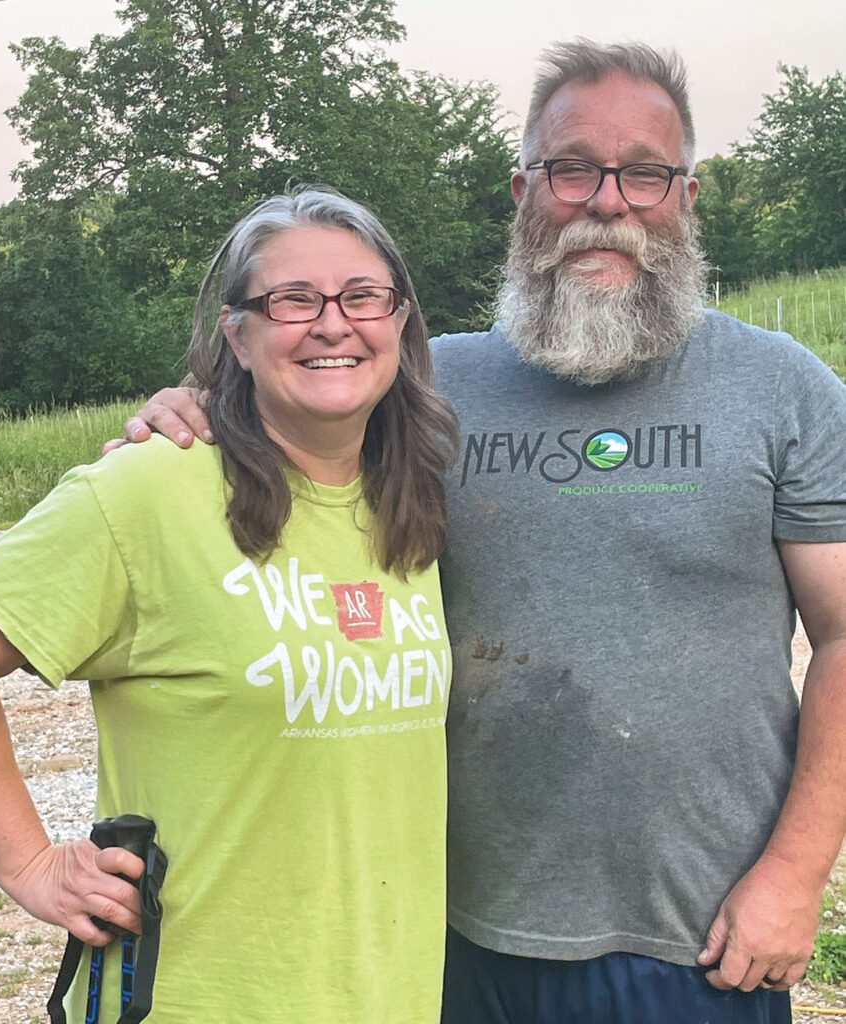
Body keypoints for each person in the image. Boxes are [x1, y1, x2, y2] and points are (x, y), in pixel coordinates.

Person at [115, 40, 846, 1024]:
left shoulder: (781, 387)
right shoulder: (426, 388)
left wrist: (796, 876)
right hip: (450, 934)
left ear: (687, 193)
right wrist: (195, 405)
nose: (607, 201)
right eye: (572, 168)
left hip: (699, 942)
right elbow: (290, 395)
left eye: (644, 172)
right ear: (524, 190)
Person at [0, 188, 460, 1023]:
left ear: (400, 322)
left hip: (389, 995)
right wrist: (28, 866)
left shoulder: (410, 502)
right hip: (197, 999)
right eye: (292, 300)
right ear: (236, 334)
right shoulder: (148, 487)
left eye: (361, 296)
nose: (332, 323)